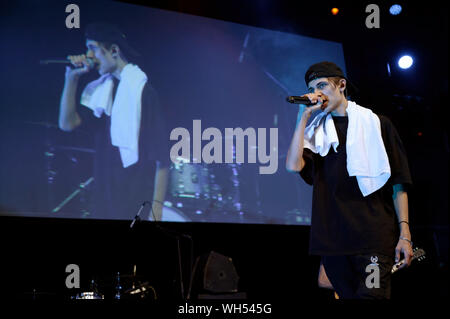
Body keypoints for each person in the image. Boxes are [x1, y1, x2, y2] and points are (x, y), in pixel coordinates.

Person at [286, 61, 414, 299]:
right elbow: (293, 166)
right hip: (335, 243)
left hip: (374, 239)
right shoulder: (316, 133)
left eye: (322, 85)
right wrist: (302, 118)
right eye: (312, 88)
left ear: (341, 85)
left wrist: (404, 234)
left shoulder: (377, 123)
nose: (317, 93)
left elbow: (399, 182)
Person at [58, 23, 169, 221]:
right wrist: (70, 79)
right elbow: (66, 124)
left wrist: (157, 209)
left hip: (136, 202)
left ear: (114, 50)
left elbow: (162, 157)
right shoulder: (100, 93)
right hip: (103, 199)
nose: (88, 56)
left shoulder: (143, 91)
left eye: (92, 48)